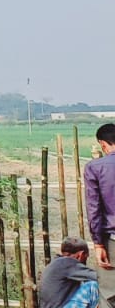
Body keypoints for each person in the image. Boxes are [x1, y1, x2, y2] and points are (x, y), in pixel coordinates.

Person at [86, 123, 115, 300]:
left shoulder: (95, 168)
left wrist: (98, 244)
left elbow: (94, 209)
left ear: (103, 144)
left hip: (112, 240)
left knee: (109, 294)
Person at [41, 237, 102, 308]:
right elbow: (98, 277)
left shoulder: (56, 263)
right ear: (81, 254)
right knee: (92, 286)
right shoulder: (67, 263)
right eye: (86, 257)